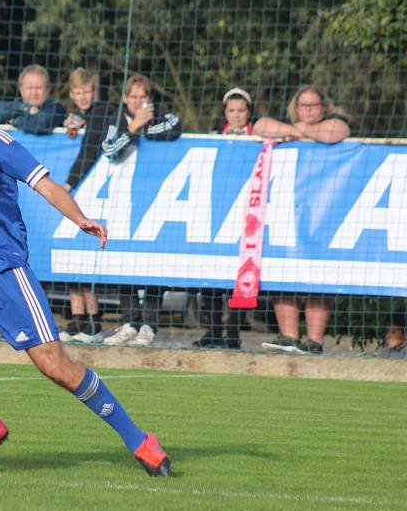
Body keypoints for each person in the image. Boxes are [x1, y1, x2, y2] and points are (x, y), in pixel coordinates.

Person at [0, 65, 171, 477]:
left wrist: (81, 219)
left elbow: (46, 184)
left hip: (4, 273)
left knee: (56, 365)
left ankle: (139, 440)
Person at [255, 85, 351, 354]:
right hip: (288, 209)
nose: (308, 110)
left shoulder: (335, 124)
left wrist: (299, 132)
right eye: (303, 106)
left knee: (318, 277)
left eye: (313, 105)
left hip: (325, 211)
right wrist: (295, 130)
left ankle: (314, 341)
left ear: (324, 108)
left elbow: (336, 134)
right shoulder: (287, 124)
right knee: (283, 273)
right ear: (295, 108)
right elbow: (259, 125)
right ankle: (289, 337)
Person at [101, 74, 182, 347]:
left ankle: (149, 323)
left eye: (142, 97)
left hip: (155, 198)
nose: (137, 102)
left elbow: (176, 128)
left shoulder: (163, 118)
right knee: (122, 259)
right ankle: (130, 321)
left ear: (150, 99)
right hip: (122, 201)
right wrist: (132, 129)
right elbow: (109, 149)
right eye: (133, 97)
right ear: (126, 98)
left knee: (153, 259)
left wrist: (143, 129)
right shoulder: (116, 122)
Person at [192, 87, 258, 349]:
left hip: (246, 213)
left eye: (241, 110)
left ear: (249, 112)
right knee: (210, 274)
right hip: (215, 212)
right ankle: (213, 329)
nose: (237, 115)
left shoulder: (260, 138)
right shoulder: (212, 139)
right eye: (231, 110)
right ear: (224, 113)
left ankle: (233, 330)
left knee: (240, 273)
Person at [59, 67, 117, 342]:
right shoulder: (76, 117)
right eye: (78, 93)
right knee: (70, 253)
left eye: (87, 92)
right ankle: (76, 318)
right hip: (77, 190)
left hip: (93, 187)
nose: (83, 97)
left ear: (95, 91)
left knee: (85, 252)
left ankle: (92, 321)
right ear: (72, 94)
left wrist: (69, 183)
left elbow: (90, 149)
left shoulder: (104, 111)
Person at [0, 64, 66, 135]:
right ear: (21, 90)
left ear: (48, 89)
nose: (34, 92)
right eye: (29, 88)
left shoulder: (56, 109)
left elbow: (41, 125)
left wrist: (16, 121)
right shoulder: (16, 105)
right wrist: (27, 108)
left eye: (39, 88)